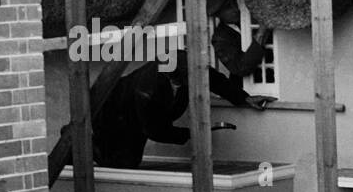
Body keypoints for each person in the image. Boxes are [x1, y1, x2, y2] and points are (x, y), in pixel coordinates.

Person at [93, 59, 267, 169]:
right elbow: (154, 131)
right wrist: (191, 134)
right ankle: (83, 144)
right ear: (173, 78)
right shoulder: (146, 91)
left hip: (140, 114)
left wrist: (245, 99)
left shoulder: (189, 64)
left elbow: (216, 81)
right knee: (121, 164)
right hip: (110, 111)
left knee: (128, 162)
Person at [206, 0, 274, 84]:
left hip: (272, 79)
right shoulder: (220, 39)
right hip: (246, 88)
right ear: (218, 15)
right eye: (228, 7)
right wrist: (260, 34)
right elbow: (240, 68)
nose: (235, 9)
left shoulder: (251, 19)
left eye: (234, 3)